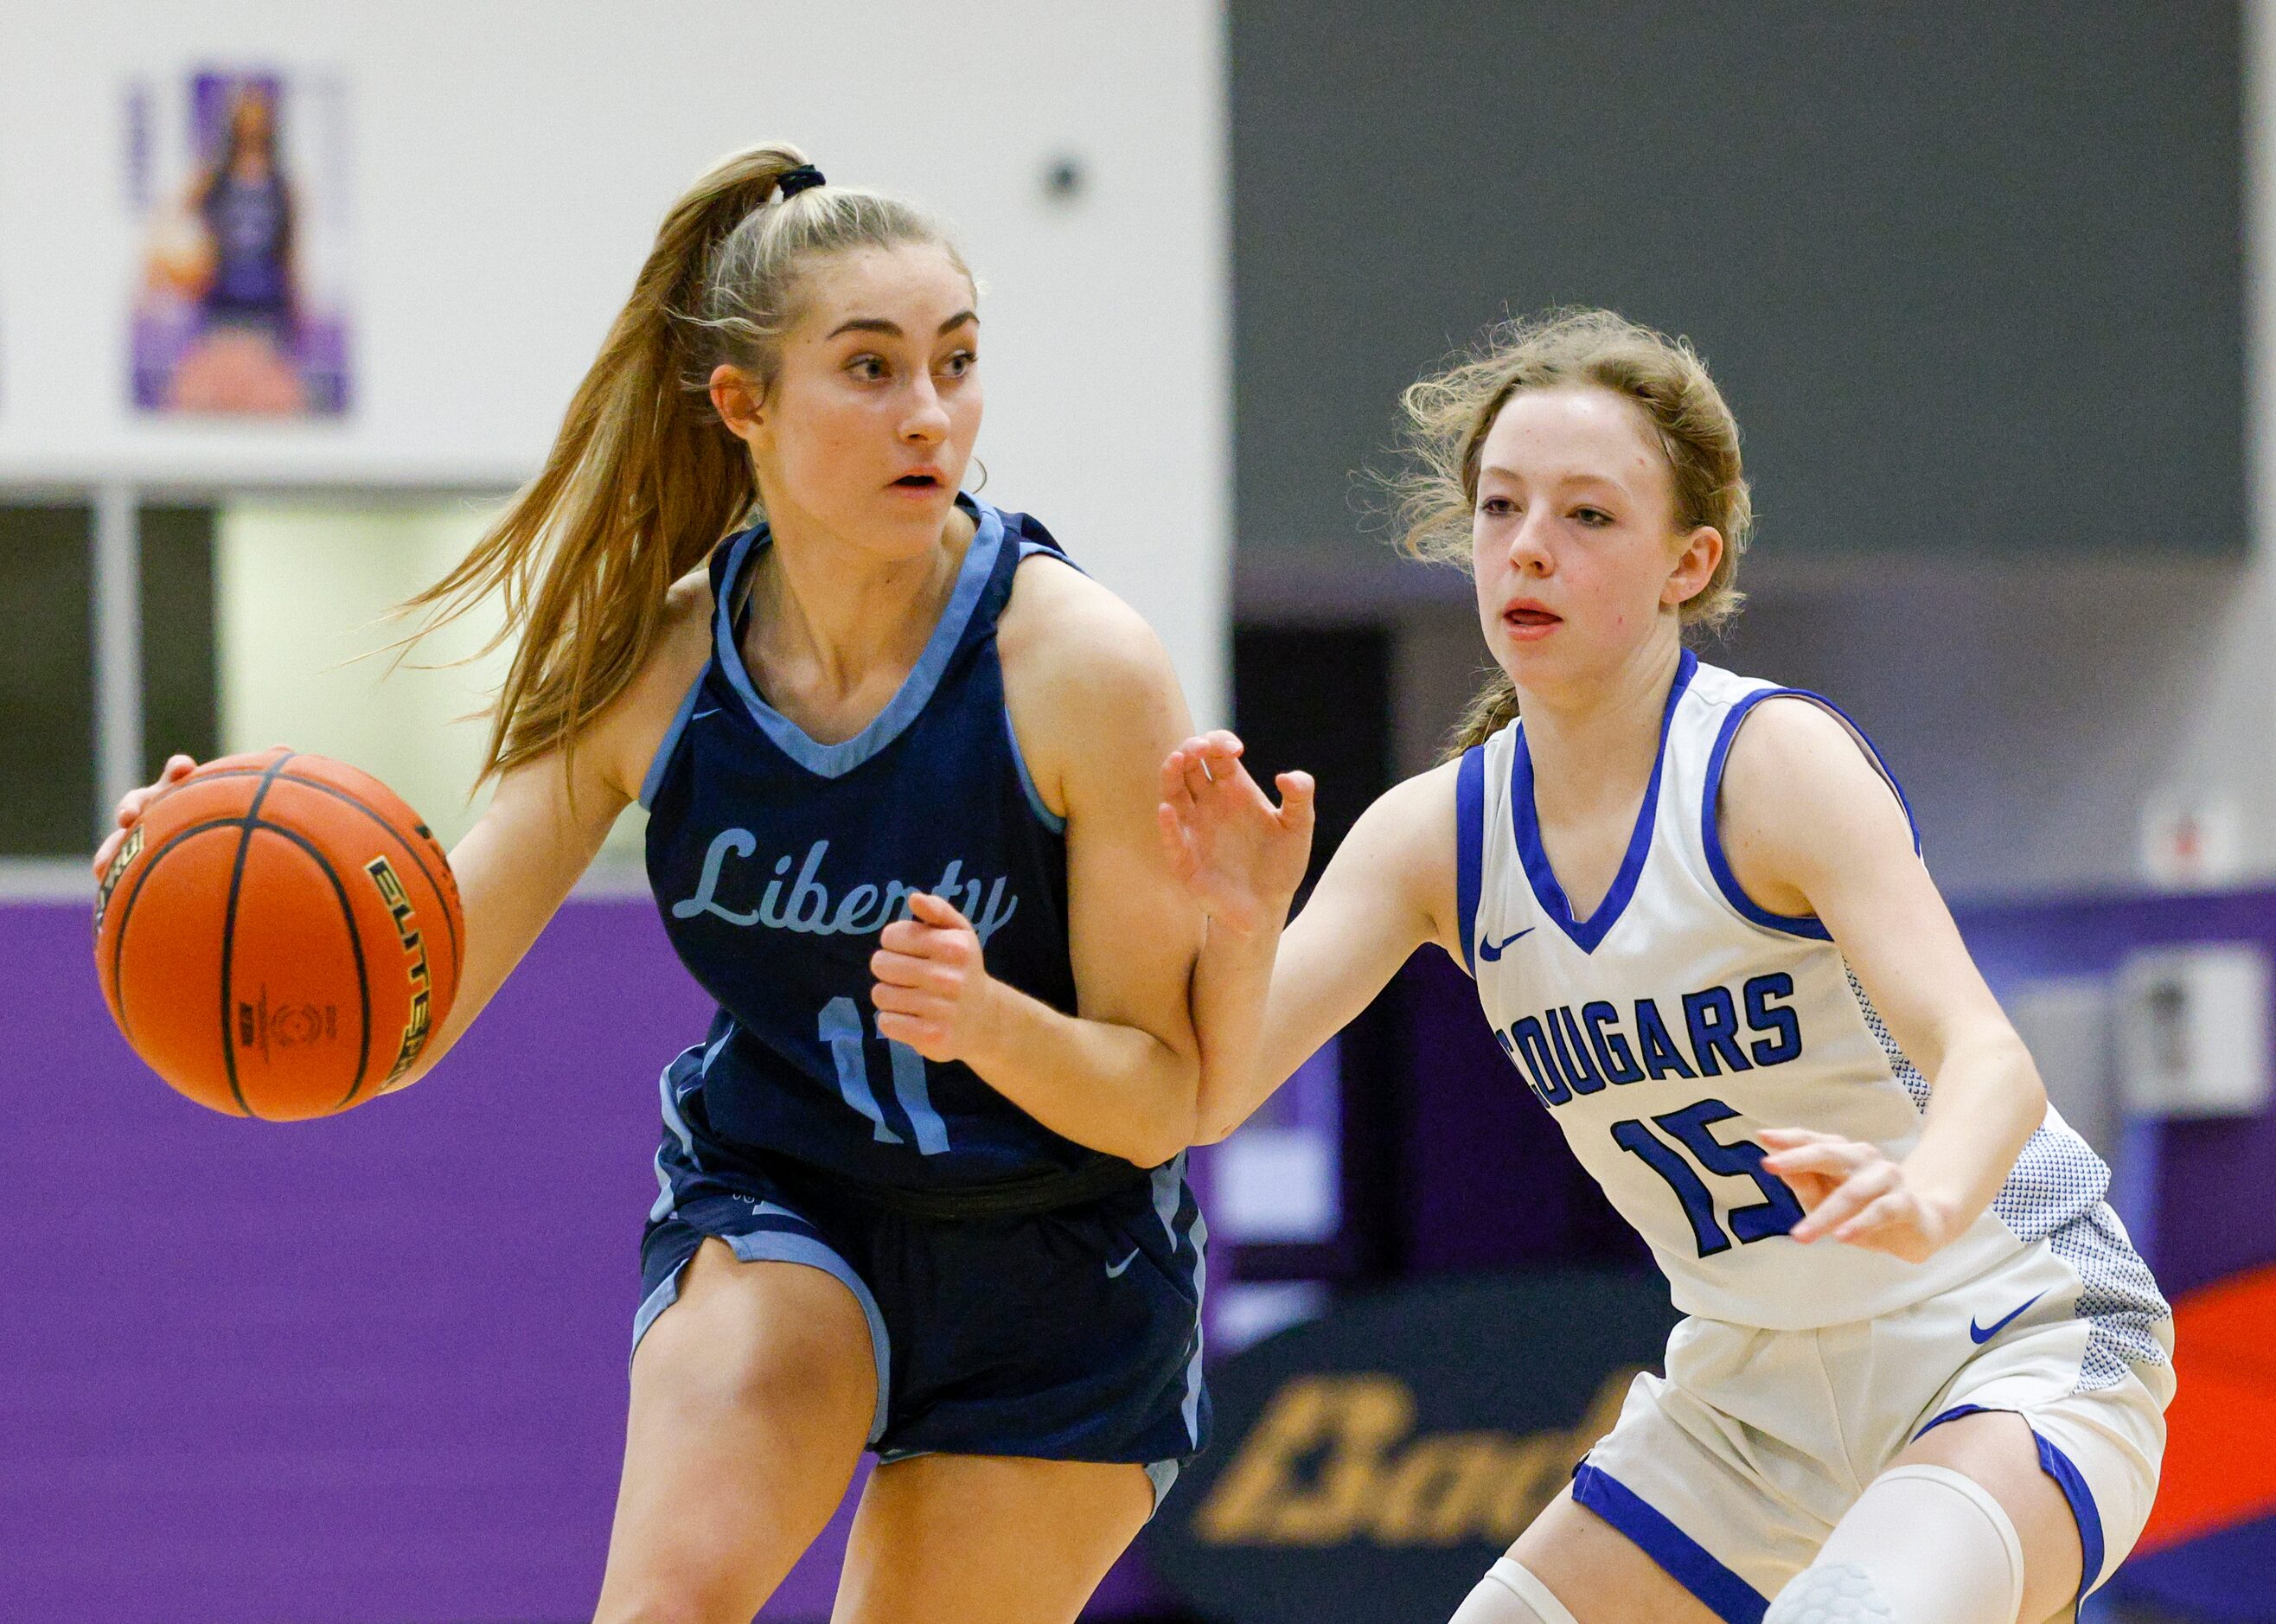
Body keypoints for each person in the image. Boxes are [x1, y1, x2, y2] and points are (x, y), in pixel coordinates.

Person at [97, 144, 1212, 1624]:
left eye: (954, 361)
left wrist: (995, 1025)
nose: (929, 412)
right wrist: (190, 890)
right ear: (743, 402)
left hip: (1060, 1250)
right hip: (787, 1195)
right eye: (869, 368)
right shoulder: (652, 667)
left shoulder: (1083, 670)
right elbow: (413, 1002)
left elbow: (1161, 1092)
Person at [1155, 309, 2171, 1624]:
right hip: (1748, 1393)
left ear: (1689, 562)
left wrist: (1926, 1192)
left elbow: (1990, 1056)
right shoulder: (1433, 835)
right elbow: (1207, 1093)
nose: (1529, 544)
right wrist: (1240, 928)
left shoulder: (1768, 765)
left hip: (2011, 1336)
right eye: (1502, 506)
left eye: (1587, 516)